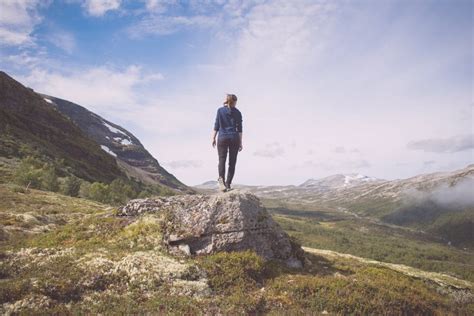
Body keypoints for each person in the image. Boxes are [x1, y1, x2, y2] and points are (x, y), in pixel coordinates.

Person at [211, 94, 243, 192]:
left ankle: (221, 181)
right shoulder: (238, 113)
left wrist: (213, 138)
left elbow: (216, 126)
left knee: (222, 160)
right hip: (234, 138)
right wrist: (240, 142)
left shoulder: (220, 111)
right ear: (234, 102)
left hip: (222, 137)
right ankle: (228, 184)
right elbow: (240, 129)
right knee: (232, 162)